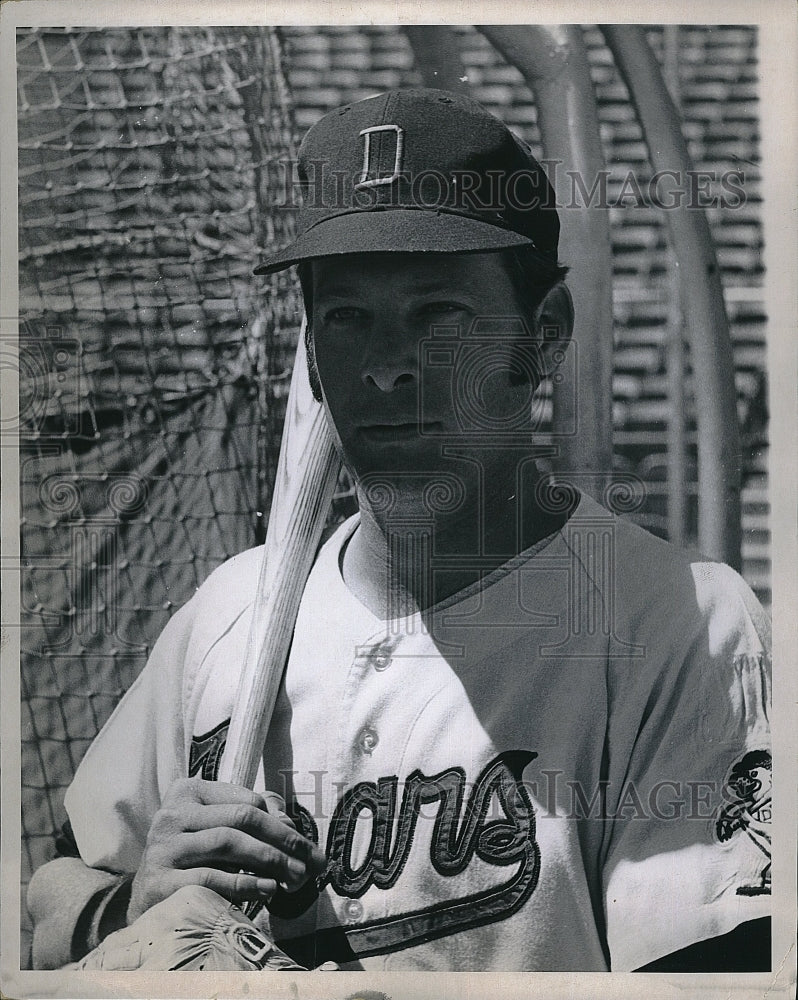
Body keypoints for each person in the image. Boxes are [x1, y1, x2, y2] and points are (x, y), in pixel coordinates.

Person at [28, 88, 772, 973]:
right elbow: (48, 892)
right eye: (347, 318)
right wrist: (129, 911)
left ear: (544, 335)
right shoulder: (230, 613)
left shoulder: (678, 626)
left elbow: (710, 976)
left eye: (437, 315)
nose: (386, 368)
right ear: (309, 352)